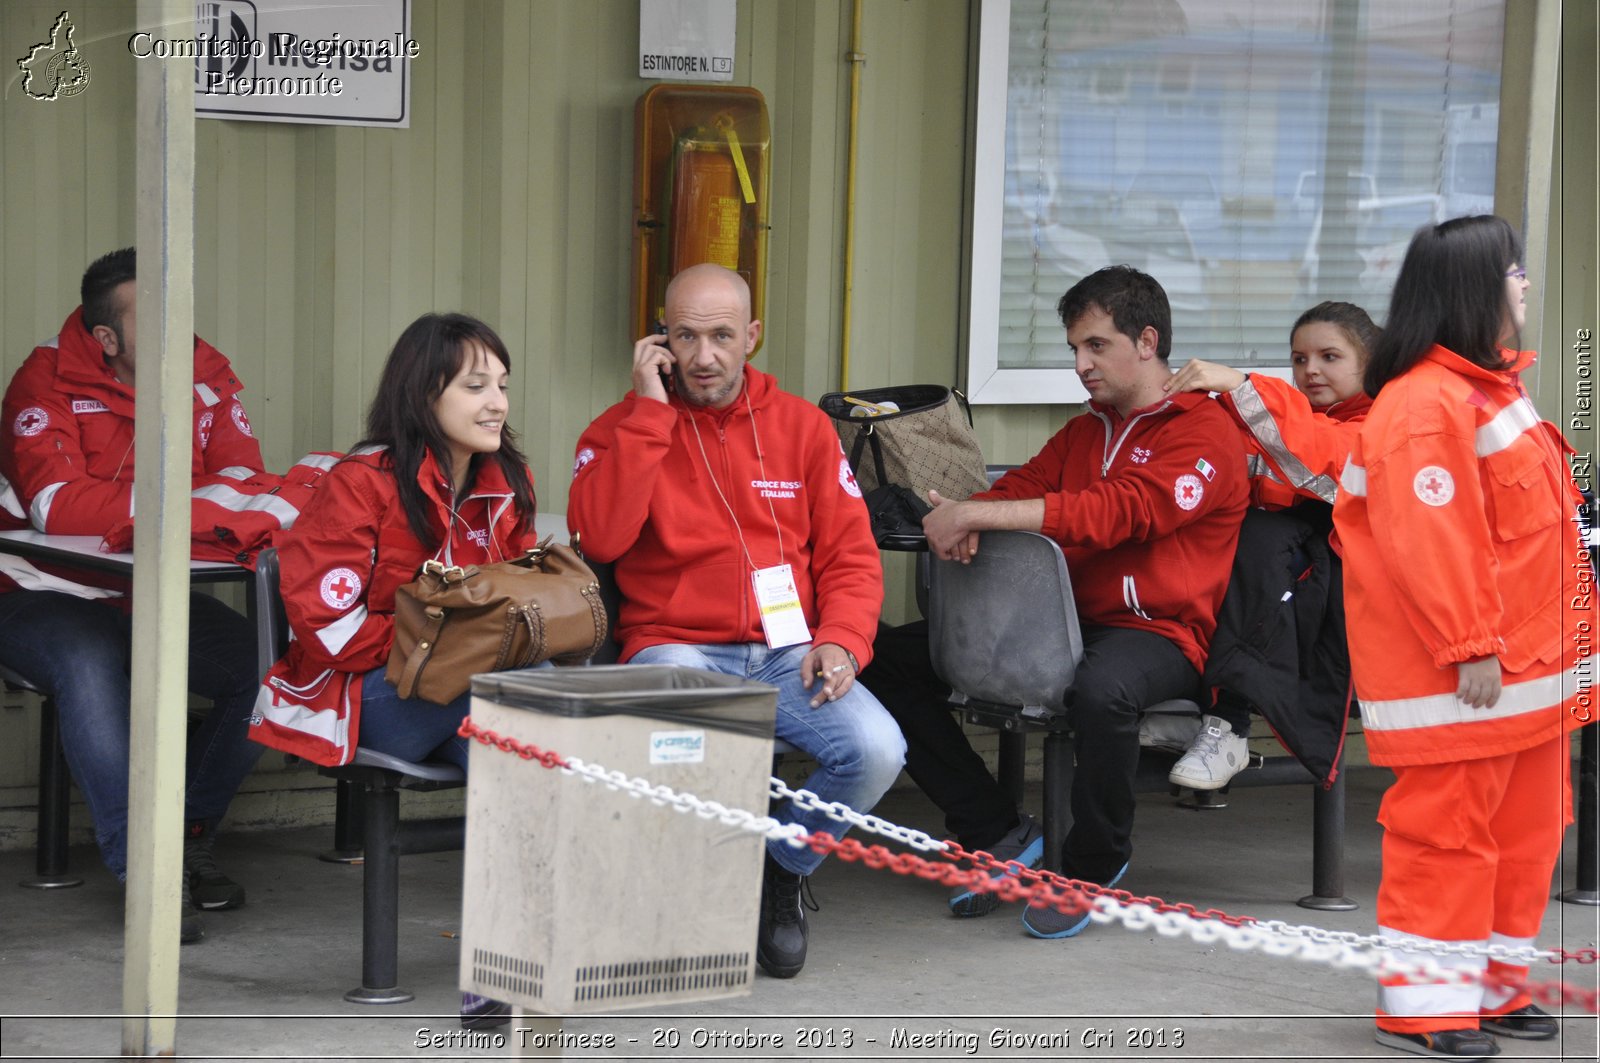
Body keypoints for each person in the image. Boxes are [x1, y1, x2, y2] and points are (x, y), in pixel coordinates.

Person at [567, 263, 906, 980]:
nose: (704, 356)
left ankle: (779, 868)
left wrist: (841, 641)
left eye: (722, 335)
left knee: (877, 749)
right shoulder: (619, 429)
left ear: (751, 335)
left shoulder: (805, 430)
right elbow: (598, 539)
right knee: (675, 740)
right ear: (661, 339)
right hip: (675, 648)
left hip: (790, 653)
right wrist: (650, 413)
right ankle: (687, 901)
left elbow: (850, 555)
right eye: (685, 336)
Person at [910, 265, 1248, 936]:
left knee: (1102, 692)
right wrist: (961, 514)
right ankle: (997, 828)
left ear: (1147, 341)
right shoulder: (1083, 432)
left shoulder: (1206, 432)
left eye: (1095, 346)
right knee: (888, 658)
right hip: (1058, 621)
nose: (1080, 364)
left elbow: (1123, 511)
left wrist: (980, 518)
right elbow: (1022, 488)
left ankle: (1093, 865)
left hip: (1161, 635)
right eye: (1074, 348)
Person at [1333, 216, 1587, 1061]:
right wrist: (1470, 641)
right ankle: (1425, 1007)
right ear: (1472, 288)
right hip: (1464, 672)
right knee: (1447, 837)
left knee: (1528, 832)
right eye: (1511, 272)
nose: (1523, 285)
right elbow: (1431, 539)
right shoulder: (1424, 404)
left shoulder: (1490, 388)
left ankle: (1492, 987)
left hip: (1528, 674)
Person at [252, 312, 540, 1029]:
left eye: (503, 383)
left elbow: (525, 601)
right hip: (368, 695)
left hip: (466, 694)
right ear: (422, 393)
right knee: (523, 710)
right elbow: (329, 630)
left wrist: (490, 641)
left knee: (528, 763)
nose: (497, 401)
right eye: (476, 385)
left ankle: (499, 967)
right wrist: (457, 640)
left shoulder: (508, 479)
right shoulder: (362, 481)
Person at [0, 247, 266, 945]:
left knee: (265, 666)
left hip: (140, 592)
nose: (177, 328)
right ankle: (145, 870)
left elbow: (245, 485)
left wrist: (164, 505)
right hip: (35, 591)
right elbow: (55, 506)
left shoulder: (206, 374)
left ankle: (186, 837)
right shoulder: (45, 379)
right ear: (107, 339)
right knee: (90, 666)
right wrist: (191, 501)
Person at [1161, 301, 1378, 790]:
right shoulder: (1296, 416)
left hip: (1364, 592)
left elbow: (1321, 460)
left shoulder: (1387, 420)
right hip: (1292, 580)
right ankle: (1191, 703)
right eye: (1299, 359)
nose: (1311, 370)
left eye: (1329, 356)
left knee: (1262, 538)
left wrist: (1240, 387)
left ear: (1372, 362)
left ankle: (1229, 725)